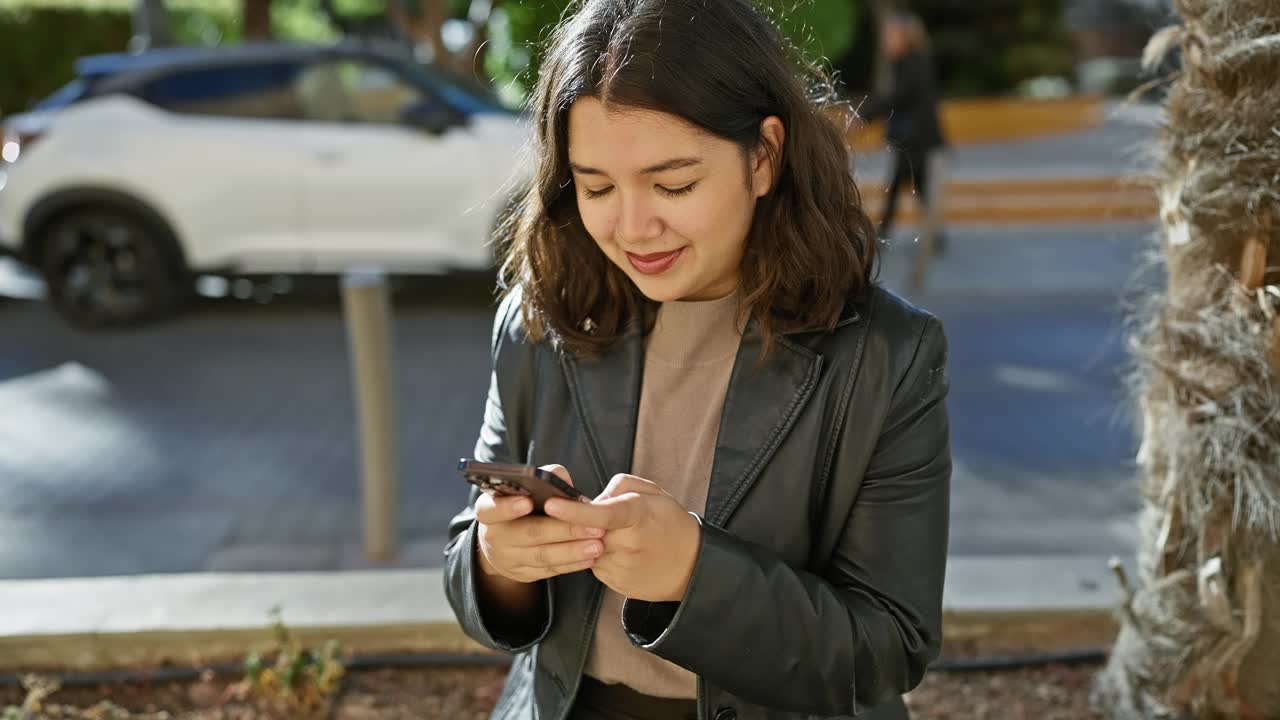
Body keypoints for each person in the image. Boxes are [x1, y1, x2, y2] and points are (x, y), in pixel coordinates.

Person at [442, 0, 951, 718]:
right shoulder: (537, 319)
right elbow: (470, 564)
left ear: (765, 157)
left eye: (674, 185)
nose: (632, 226)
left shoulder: (887, 357)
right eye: (595, 187)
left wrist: (694, 573)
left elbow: (888, 649)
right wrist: (500, 564)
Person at [859, 12, 948, 255]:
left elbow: (898, 98)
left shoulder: (914, 64)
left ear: (905, 38)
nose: (885, 42)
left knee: (906, 186)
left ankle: (887, 236)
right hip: (913, 141)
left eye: (890, 36)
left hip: (919, 141)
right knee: (912, 187)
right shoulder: (907, 64)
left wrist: (864, 114)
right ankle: (934, 237)